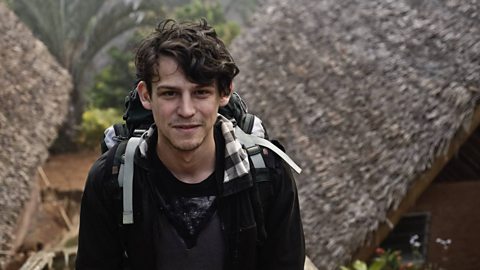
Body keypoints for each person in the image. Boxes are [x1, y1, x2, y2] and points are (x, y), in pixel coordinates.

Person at [75, 18, 305, 270]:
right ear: (145, 95)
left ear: (225, 92)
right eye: (170, 93)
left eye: (201, 92)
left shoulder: (267, 175)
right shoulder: (112, 180)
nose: (186, 110)